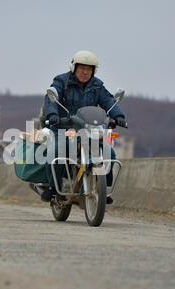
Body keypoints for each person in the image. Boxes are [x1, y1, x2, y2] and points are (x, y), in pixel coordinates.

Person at [40, 50, 128, 203]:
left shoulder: (97, 85)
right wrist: (52, 115)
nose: (85, 72)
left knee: (110, 153)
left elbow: (108, 101)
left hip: (89, 129)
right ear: (74, 67)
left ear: (93, 71)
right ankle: (53, 188)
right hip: (64, 127)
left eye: (89, 69)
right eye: (82, 68)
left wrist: (118, 116)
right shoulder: (61, 81)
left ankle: (103, 190)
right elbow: (51, 100)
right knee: (55, 151)